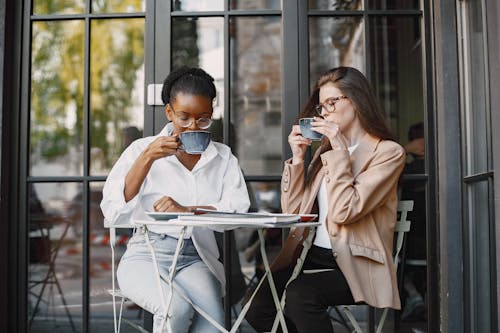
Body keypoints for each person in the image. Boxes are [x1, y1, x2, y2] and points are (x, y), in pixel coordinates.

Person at [245, 66, 406, 333]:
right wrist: (297, 159)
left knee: (300, 295)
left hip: (357, 262)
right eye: (322, 106)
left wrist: (339, 148)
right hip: (311, 254)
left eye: (332, 102)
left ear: (357, 100)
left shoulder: (387, 153)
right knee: (258, 310)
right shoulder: (325, 155)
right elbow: (294, 211)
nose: (326, 111)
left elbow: (345, 212)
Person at [100, 66, 250, 333]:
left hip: (195, 257)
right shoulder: (140, 150)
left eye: (203, 119)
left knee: (215, 323)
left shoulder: (222, 156)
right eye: (184, 117)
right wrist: (147, 158)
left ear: (211, 113)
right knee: (175, 309)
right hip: (147, 254)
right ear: (169, 112)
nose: (193, 126)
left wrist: (188, 210)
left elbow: (237, 209)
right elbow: (112, 212)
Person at [400, 122, 427, 322]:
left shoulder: (408, 171)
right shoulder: (407, 170)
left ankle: (416, 297)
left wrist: (405, 149)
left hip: (409, 247)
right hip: (419, 245)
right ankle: (418, 299)